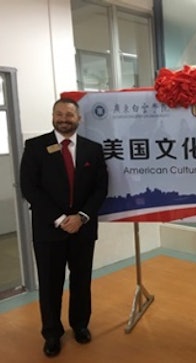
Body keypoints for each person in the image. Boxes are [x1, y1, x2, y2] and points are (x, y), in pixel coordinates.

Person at [20, 98, 108, 357]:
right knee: (50, 284)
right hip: (49, 229)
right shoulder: (36, 146)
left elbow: (100, 188)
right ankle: (51, 334)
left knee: (81, 281)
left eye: (69, 115)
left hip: (82, 228)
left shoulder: (93, 149)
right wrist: (60, 219)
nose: (64, 119)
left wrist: (81, 217)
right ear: (52, 116)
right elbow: (30, 188)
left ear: (78, 118)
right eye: (59, 114)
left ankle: (80, 325)